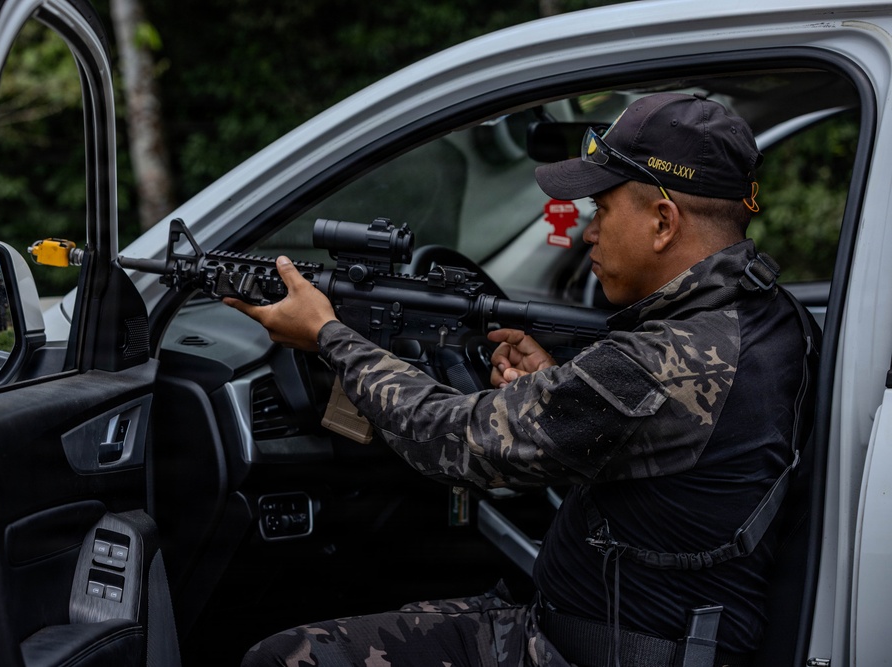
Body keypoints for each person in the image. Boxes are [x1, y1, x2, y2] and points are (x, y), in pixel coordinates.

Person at [226, 93, 818, 667]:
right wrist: (562, 384)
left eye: (601, 210)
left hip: (570, 651)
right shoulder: (774, 317)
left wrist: (329, 337)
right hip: (617, 633)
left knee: (287, 657)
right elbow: (654, 425)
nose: (589, 233)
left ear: (663, 222)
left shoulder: (665, 360)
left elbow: (453, 439)